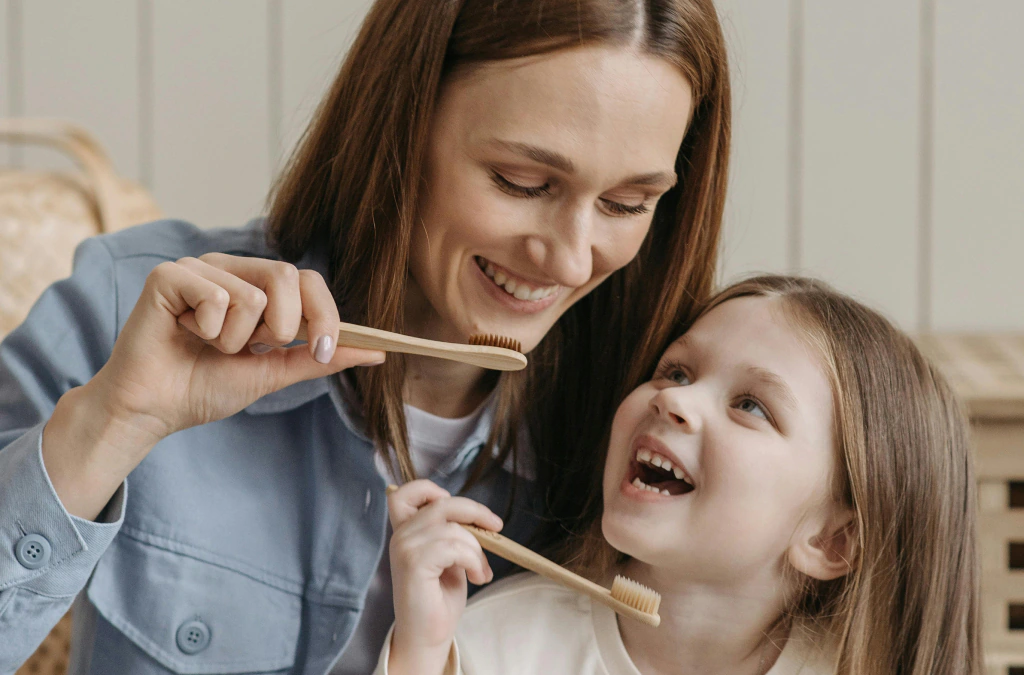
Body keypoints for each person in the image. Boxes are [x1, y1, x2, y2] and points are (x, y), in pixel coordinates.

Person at [0, 1, 731, 673]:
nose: (572, 259)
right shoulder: (133, 307)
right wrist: (114, 423)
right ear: (401, 123)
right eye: (520, 181)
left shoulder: (648, 440)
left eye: (626, 203)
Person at [381, 275, 982, 675]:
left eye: (750, 405)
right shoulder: (496, 646)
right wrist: (422, 653)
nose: (675, 401)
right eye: (676, 371)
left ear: (833, 541)